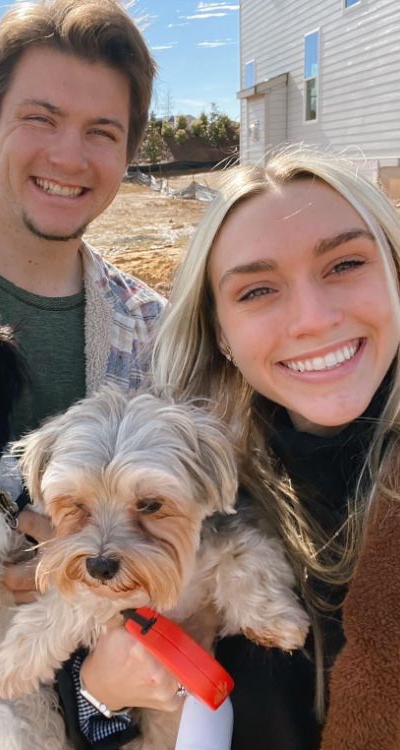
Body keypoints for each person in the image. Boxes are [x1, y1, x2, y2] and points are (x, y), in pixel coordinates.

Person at [0, 1, 172, 748]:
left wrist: (89, 566)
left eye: (102, 132)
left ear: (128, 155)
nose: (69, 156)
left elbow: (176, 550)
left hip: (61, 716)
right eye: (40, 118)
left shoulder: (154, 337)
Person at [74, 148, 399, 750]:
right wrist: (100, 694)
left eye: (345, 263)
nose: (312, 318)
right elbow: (107, 714)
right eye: (256, 290)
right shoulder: (203, 488)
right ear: (219, 331)